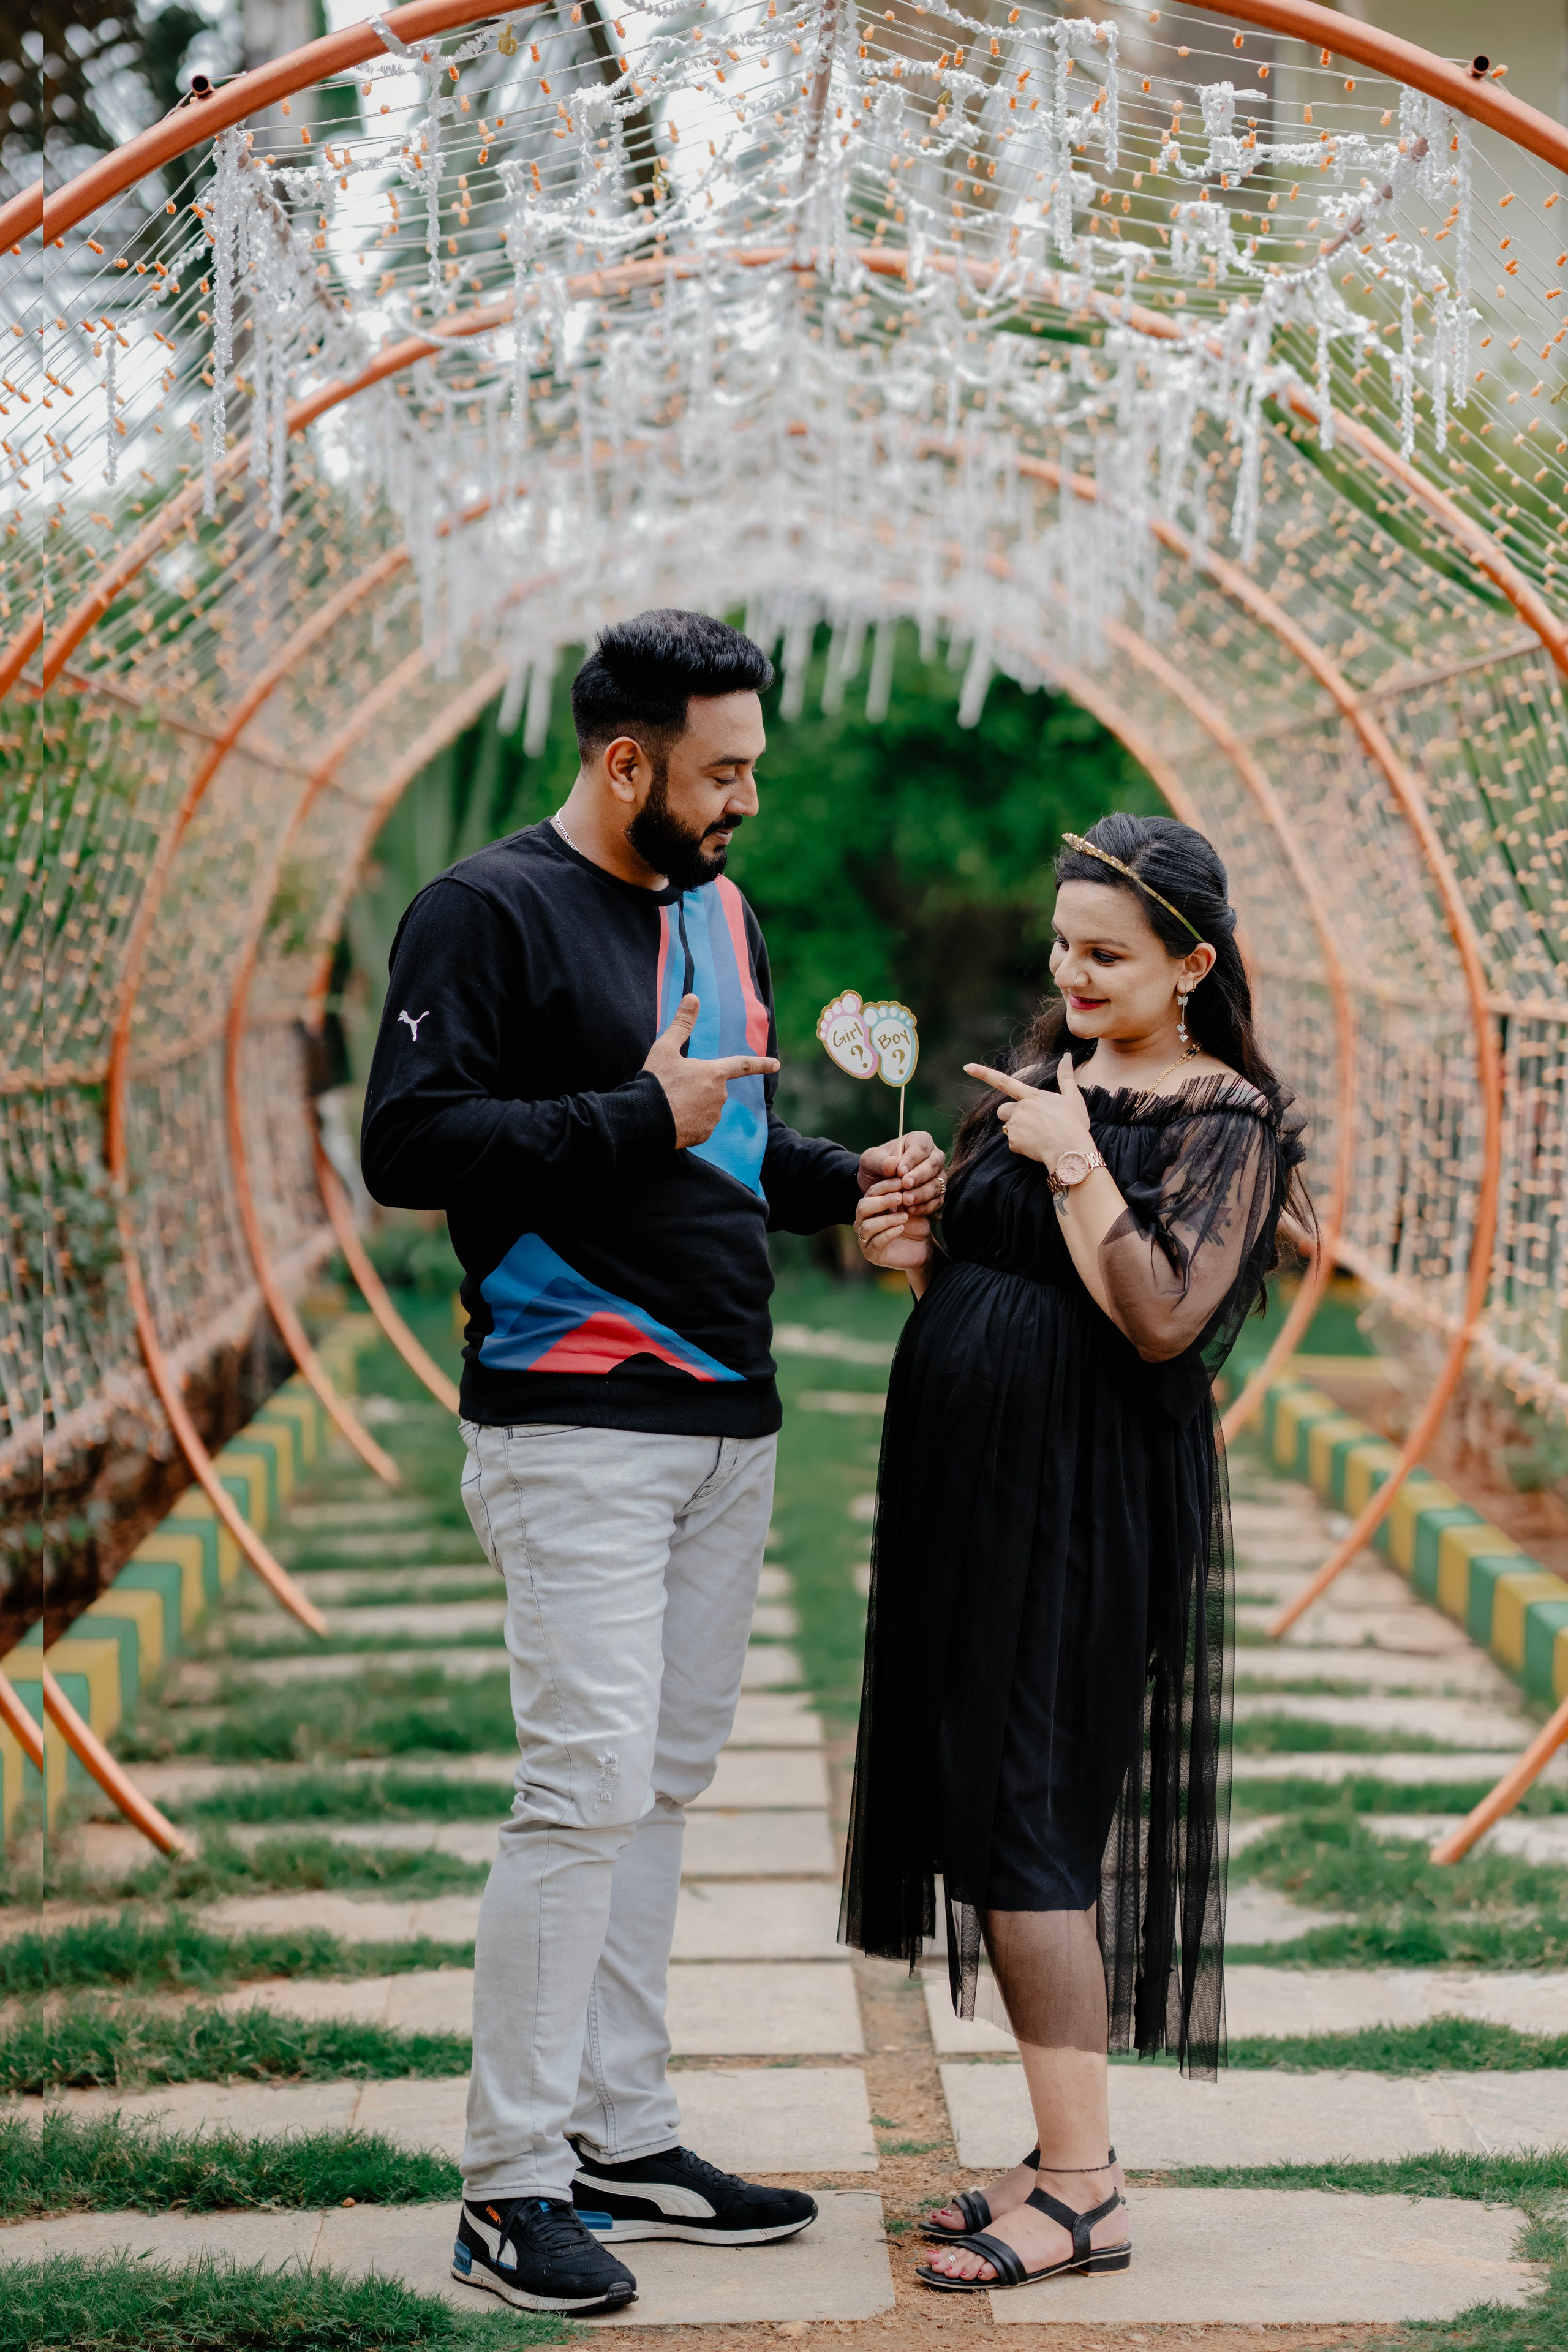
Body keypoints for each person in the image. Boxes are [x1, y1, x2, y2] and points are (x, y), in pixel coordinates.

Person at [360, 609, 944, 2318]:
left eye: (750, 768)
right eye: (722, 772)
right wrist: (638, 1113)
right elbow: (409, 1143)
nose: (745, 799)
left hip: (725, 1425)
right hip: (571, 1419)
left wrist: (856, 1188)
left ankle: (620, 2133)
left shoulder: (721, 910)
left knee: (661, 1787)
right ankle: (506, 2187)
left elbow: (734, 1141)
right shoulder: (484, 911)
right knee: (583, 1787)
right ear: (628, 763)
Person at [842, 813, 1308, 2296]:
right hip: (971, 1498)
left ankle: (1090, 2193)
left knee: (1031, 1817)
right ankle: (1052, 2158)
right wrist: (915, 1252)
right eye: (1063, 946)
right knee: (982, 1808)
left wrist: (1068, 1165)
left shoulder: (1220, 1118)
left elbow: (1164, 1319)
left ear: (1191, 963)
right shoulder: (1045, 1081)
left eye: (1106, 953)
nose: (1072, 972)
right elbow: (987, 1306)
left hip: (1085, 1510)